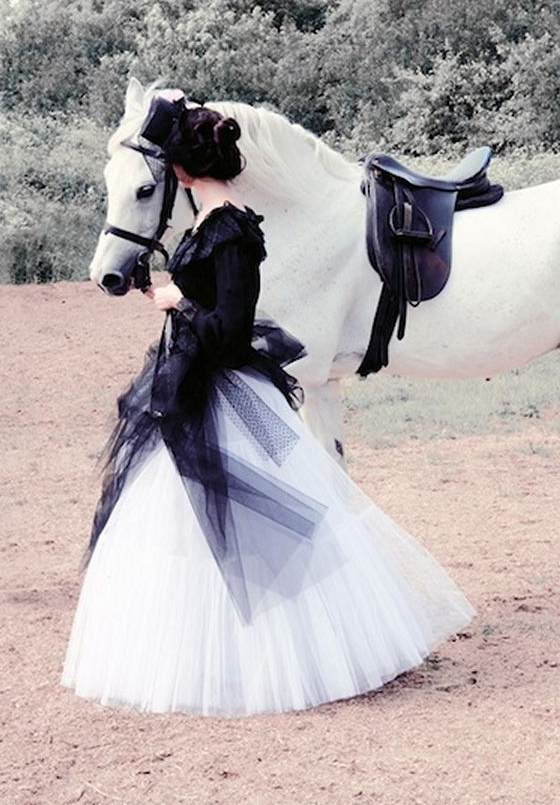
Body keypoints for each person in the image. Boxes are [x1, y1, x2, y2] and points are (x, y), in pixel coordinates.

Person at [61, 99, 474, 716]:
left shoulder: (228, 231)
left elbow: (229, 331)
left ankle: (261, 656)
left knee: (239, 519)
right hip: (201, 382)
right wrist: (165, 289)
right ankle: (217, 643)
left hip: (223, 390)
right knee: (202, 521)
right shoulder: (213, 225)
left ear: (178, 172)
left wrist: (177, 302)